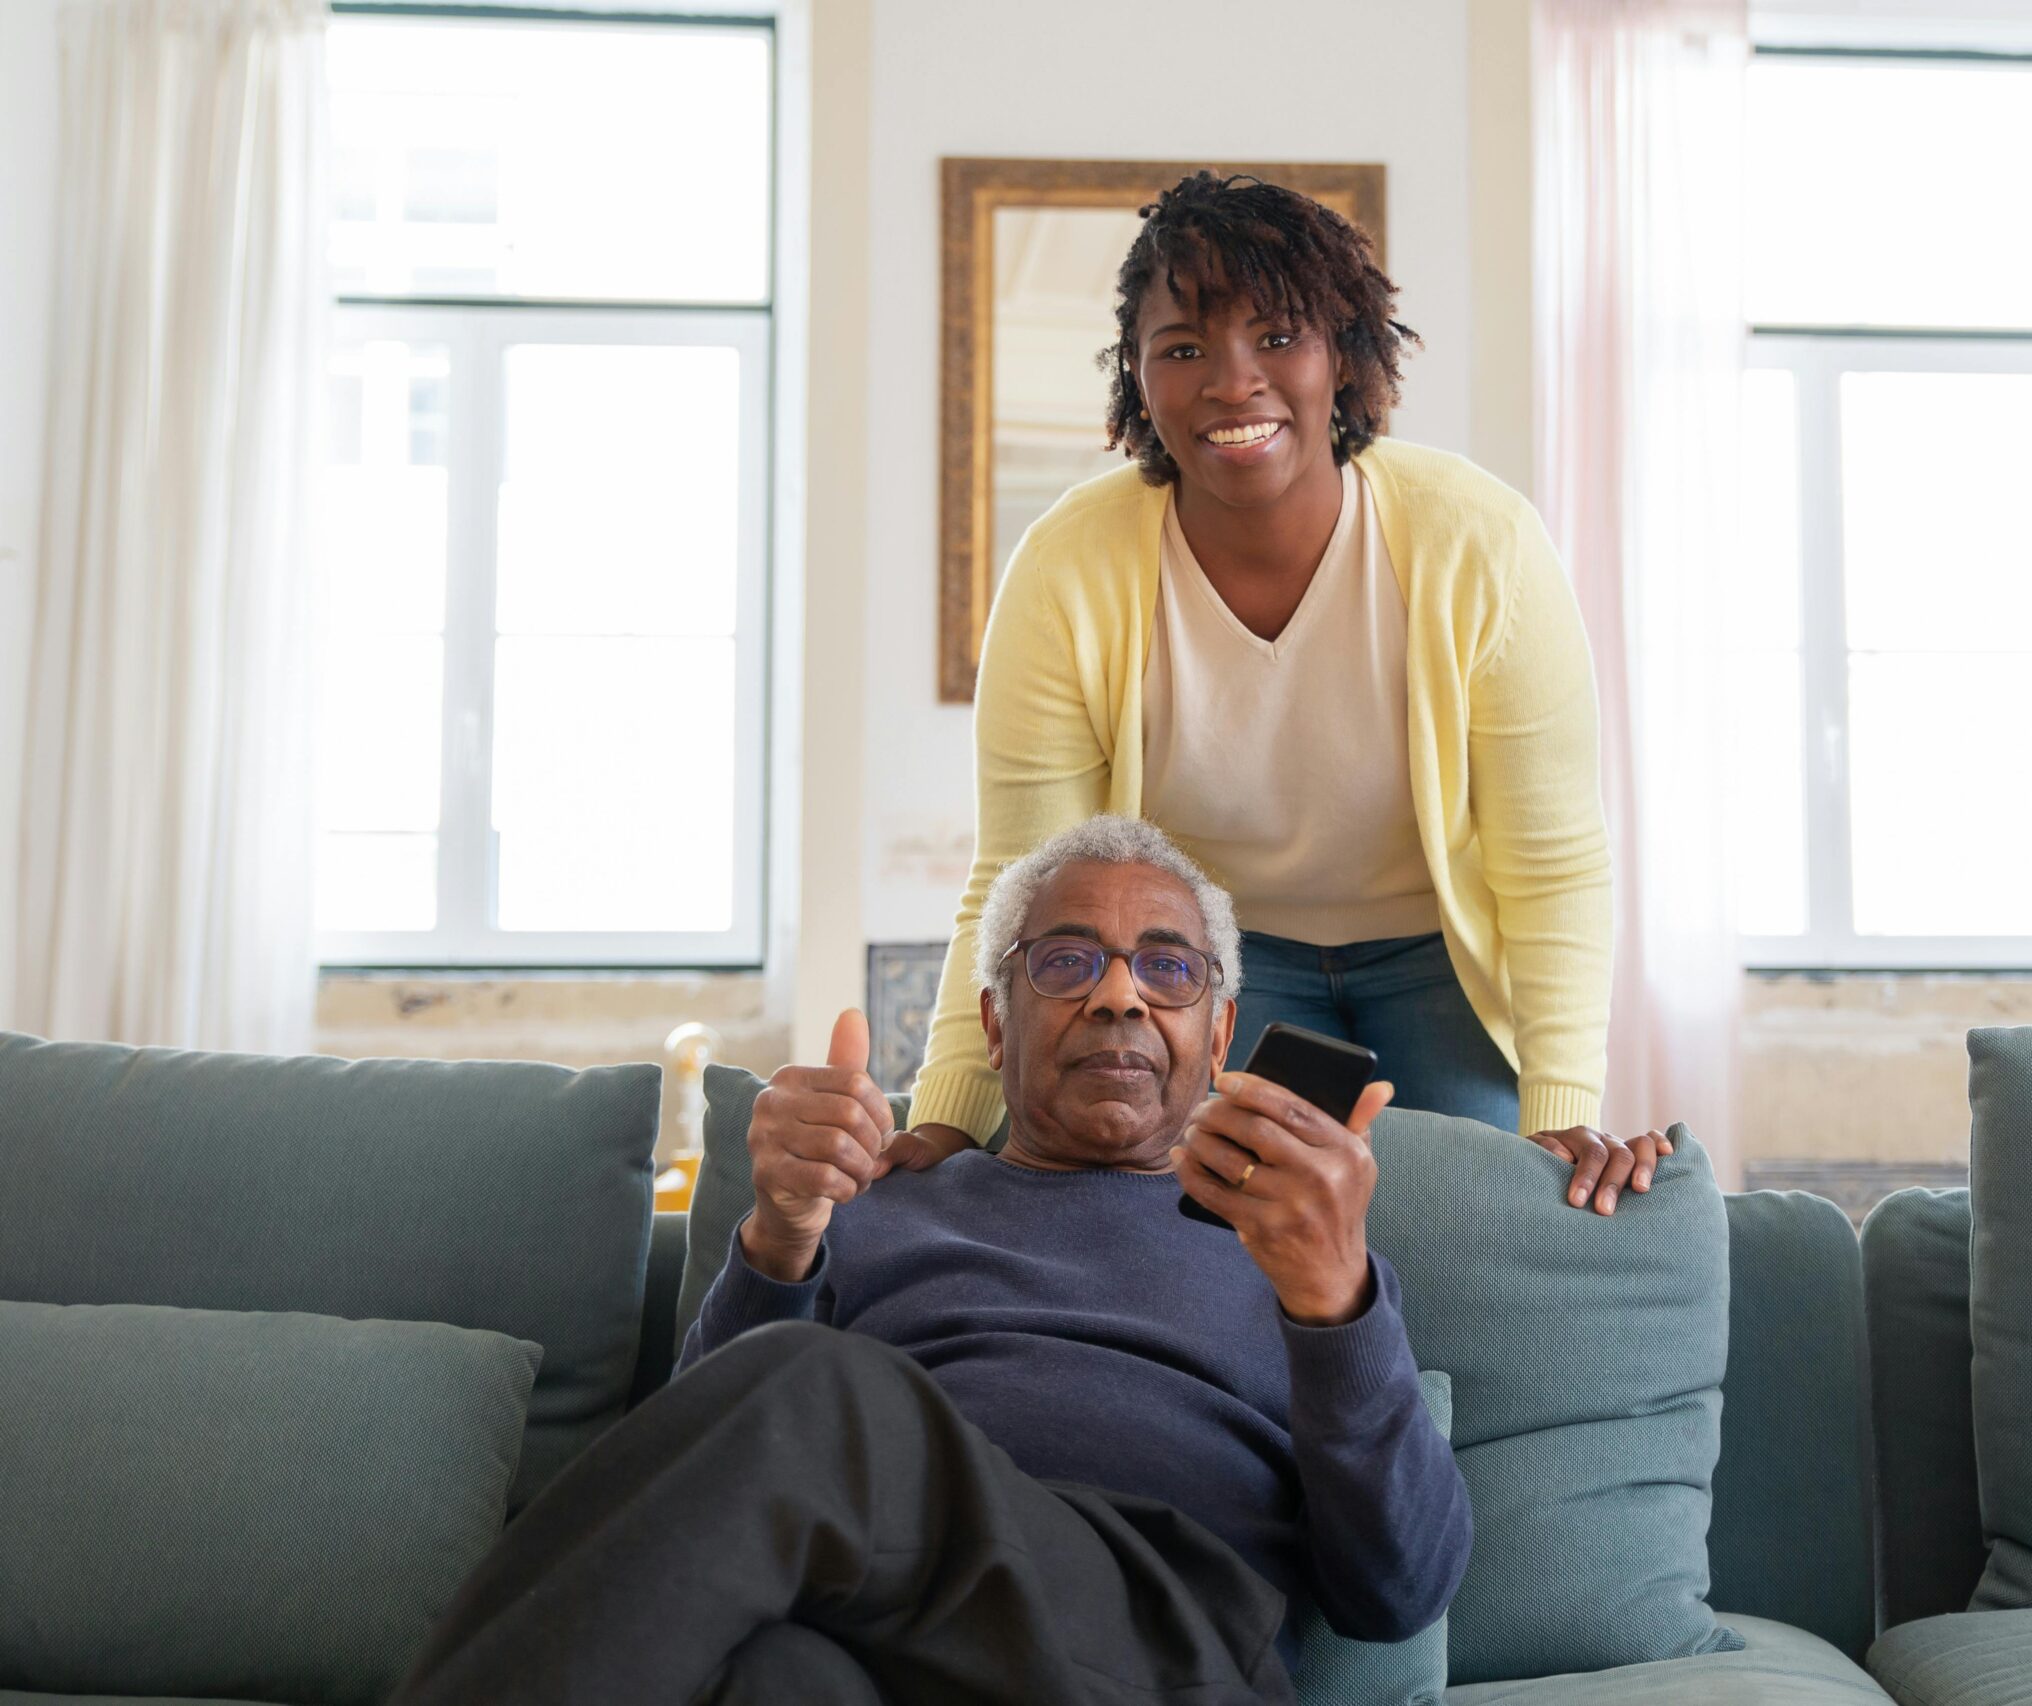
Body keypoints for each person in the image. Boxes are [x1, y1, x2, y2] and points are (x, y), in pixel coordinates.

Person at [390, 816, 1470, 1706]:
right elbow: (693, 1481)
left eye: (1168, 967)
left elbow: (1401, 1587)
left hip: (1157, 1649)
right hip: (886, 1646)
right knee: (775, 1675)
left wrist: (1334, 1296)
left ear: (1220, 1029)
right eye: (1066, 960)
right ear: (994, 1026)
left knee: (817, 1391)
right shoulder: (878, 1205)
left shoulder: (1293, 1243)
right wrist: (780, 1230)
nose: (1118, 996)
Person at [900, 171, 1668, 1216]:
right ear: (1136, 381)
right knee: (1199, 1227)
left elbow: (1553, 860)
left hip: (1438, 959)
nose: (1230, 381)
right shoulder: (1065, 568)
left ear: (1343, 358)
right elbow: (1023, 874)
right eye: (1182, 349)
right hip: (1214, 960)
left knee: (1476, 1225)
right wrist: (944, 1115)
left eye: (1276, 338)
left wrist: (1557, 1105)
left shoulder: (1477, 543)